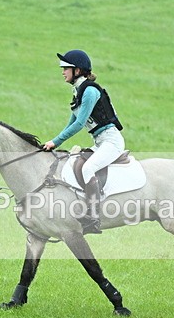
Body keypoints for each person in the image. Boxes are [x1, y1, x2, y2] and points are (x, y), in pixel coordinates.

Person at [43, 49, 124, 234]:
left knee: (88, 168)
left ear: (77, 71)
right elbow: (70, 123)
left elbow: (80, 124)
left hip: (111, 141)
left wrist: (55, 142)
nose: (62, 72)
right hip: (100, 142)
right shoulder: (78, 92)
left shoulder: (89, 91)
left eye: (66, 68)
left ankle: (93, 216)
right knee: (75, 162)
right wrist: (54, 142)